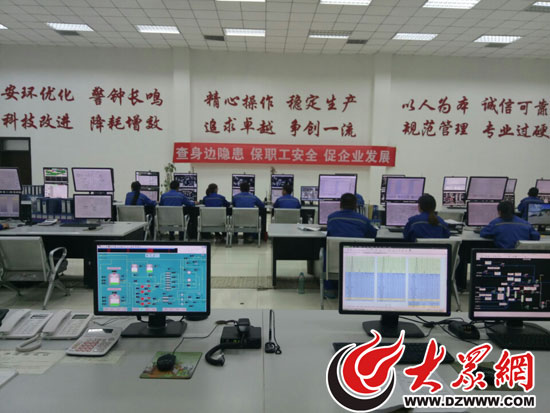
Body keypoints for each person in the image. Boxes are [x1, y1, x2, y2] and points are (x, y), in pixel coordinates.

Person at [324, 193, 378, 298]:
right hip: (357, 262)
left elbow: (329, 234)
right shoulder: (364, 220)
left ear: (340, 204)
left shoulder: (332, 218)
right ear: (355, 205)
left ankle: (330, 290)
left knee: (327, 251)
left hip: (335, 263)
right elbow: (372, 236)